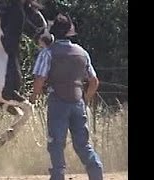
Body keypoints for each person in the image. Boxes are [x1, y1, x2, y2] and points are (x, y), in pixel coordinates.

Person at [30, 13, 103, 180]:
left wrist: (34, 96)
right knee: (83, 144)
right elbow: (94, 81)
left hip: (58, 101)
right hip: (78, 102)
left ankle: (58, 175)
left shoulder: (48, 53)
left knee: (56, 143)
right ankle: (96, 172)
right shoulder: (82, 53)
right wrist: (85, 99)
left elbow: (40, 79)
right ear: (70, 33)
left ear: (53, 33)